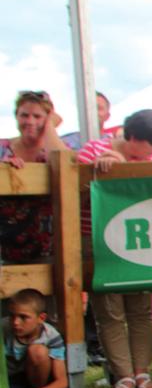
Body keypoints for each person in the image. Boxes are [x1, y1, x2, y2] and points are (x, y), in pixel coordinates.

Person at [78, 109, 152, 388]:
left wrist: (117, 167)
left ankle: (142, 373)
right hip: (96, 239)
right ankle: (124, 376)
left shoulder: (151, 159)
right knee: (109, 311)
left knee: (140, 309)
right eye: (151, 144)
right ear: (133, 138)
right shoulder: (94, 149)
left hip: (136, 240)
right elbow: (76, 184)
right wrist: (104, 167)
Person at [0, 91, 68, 263]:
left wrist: (50, 126)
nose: (30, 121)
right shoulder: (3, 148)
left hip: (48, 246)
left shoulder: (54, 148)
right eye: (24, 115)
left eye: (37, 116)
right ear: (16, 117)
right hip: (5, 246)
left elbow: (66, 164)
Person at [0, 288, 67, 388]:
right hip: (11, 383)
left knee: (37, 351)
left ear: (41, 318)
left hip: (37, 383)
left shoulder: (51, 336)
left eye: (23, 317)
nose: (15, 322)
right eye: (12, 316)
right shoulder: (3, 329)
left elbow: (62, 382)